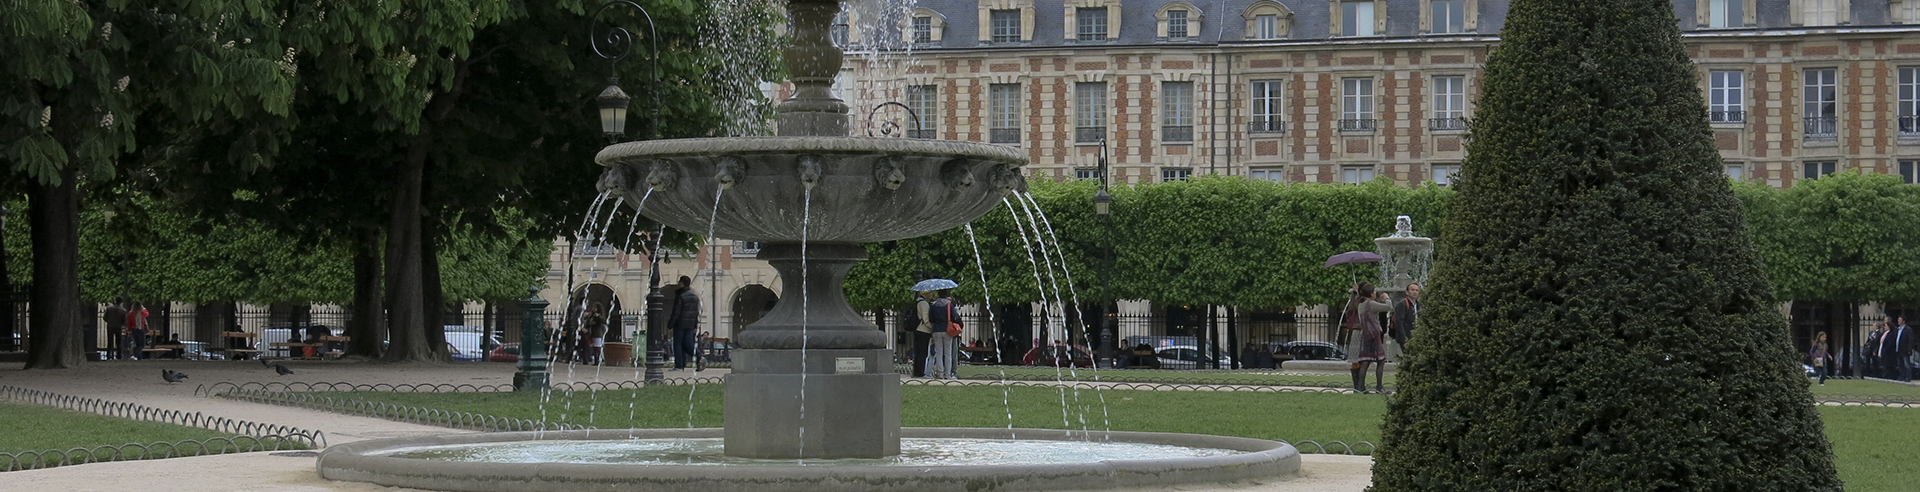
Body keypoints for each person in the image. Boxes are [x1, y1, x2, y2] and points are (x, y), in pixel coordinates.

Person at [1344, 283, 1392, 393]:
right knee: (1381, 360)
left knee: (1365, 361)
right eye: (1374, 291)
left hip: (1365, 335)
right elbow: (1389, 307)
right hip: (1374, 334)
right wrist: (1386, 298)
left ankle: (1360, 387)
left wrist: (1356, 293)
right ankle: (1379, 387)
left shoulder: (1361, 304)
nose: (1376, 293)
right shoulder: (1371, 304)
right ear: (1370, 293)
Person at [926, 290, 961, 379]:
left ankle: (940, 372)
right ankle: (947, 373)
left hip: (936, 330)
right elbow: (955, 317)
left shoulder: (933, 306)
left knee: (939, 352)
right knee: (948, 353)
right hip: (947, 330)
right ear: (946, 295)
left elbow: (931, 318)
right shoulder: (949, 305)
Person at [668, 276, 700, 370]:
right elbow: (696, 312)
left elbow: (676, 312)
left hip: (680, 323)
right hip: (690, 324)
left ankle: (679, 365)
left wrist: (671, 323)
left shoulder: (680, 295)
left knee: (678, 344)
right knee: (688, 344)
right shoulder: (694, 296)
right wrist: (695, 324)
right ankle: (696, 357)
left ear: (682, 283)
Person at [1387, 283, 1421, 362]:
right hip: (1406, 336)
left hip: (1416, 335)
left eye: (1417, 290)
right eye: (1412, 290)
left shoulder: (1418, 305)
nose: (1415, 292)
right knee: (1410, 358)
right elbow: (1399, 323)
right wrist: (1404, 340)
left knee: (1415, 358)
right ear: (1407, 292)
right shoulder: (1402, 304)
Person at [908, 290, 936, 377]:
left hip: (917, 329)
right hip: (923, 330)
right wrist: (931, 326)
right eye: (930, 293)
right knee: (922, 352)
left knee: (918, 352)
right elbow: (925, 318)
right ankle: (920, 372)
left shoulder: (917, 302)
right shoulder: (924, 303)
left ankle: (916, 371)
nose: (931, 295)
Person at [1892, 317, 1914, 382]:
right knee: (1901, 364)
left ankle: (1908, 377)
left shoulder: (1908, 329)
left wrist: (1909, 349)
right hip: (1898, 349)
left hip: (1905, 350)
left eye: (1900, 320)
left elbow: (1910, 340)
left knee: (1906, 364)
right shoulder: (1898, 329)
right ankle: (1902, 376)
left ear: (1904, 321)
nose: (1898, 321)